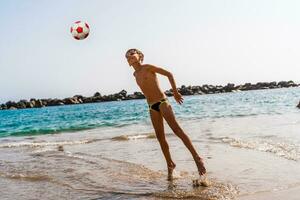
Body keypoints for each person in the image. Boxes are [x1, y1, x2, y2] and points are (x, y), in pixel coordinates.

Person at [125, 48, 206, 180]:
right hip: (152, 106)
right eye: (127, 56)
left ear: (140, 56)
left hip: (162, 102)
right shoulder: (135, 75)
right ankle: (170, 164)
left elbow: (169, 74)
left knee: (177, 130)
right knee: (160, 138)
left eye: (132, 54)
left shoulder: (148, 67)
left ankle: (197, 158)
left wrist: (175, 92)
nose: (129, 56)